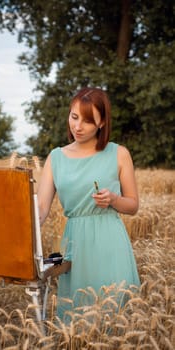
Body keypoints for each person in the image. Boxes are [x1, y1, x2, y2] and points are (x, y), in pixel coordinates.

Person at [37, 87, 140, 322]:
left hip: (110, 243)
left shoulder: (119, 153)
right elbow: (41, 209)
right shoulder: (56, 157)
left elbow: (133, 205)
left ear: (102, 122)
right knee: (77, 320)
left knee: (115, 318)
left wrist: (113, 200)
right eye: (74, 117)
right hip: (74, 244)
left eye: (87, 120)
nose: (78, 126)